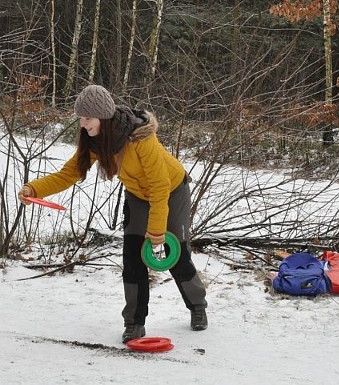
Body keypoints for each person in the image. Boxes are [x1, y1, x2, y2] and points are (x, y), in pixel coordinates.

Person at [18, 85, 208, 343]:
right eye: (81, 119)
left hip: (171, 191)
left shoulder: (140, 138)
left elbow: (159, 186)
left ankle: (197, 306)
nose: (83, 124)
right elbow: (68, 174)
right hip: (138, 196)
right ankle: (134, 322)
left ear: (103, 117)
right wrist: (34, 188)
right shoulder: (97, 142)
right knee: (132, 255)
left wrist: (155, 232)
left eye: (88, 119)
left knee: (176, 253)